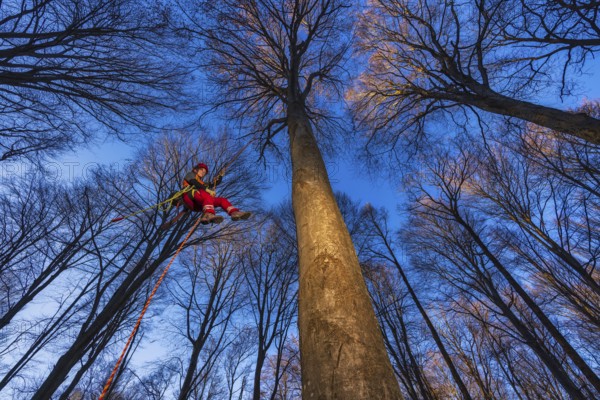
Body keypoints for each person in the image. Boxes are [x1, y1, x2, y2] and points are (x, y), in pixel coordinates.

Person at [181, 162, 251, 224]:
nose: (203, 172)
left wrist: (220, 176)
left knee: (221, 200)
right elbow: (194, 182)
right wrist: (207, 190)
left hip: (201, 204)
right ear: (195, 169)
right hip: (189, 196)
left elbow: (213, 184)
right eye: (202, 170)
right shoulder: (190, 174)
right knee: (206, 194)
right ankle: (208, 214)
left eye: (205, 172)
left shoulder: (202, 183)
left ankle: (234, 212)